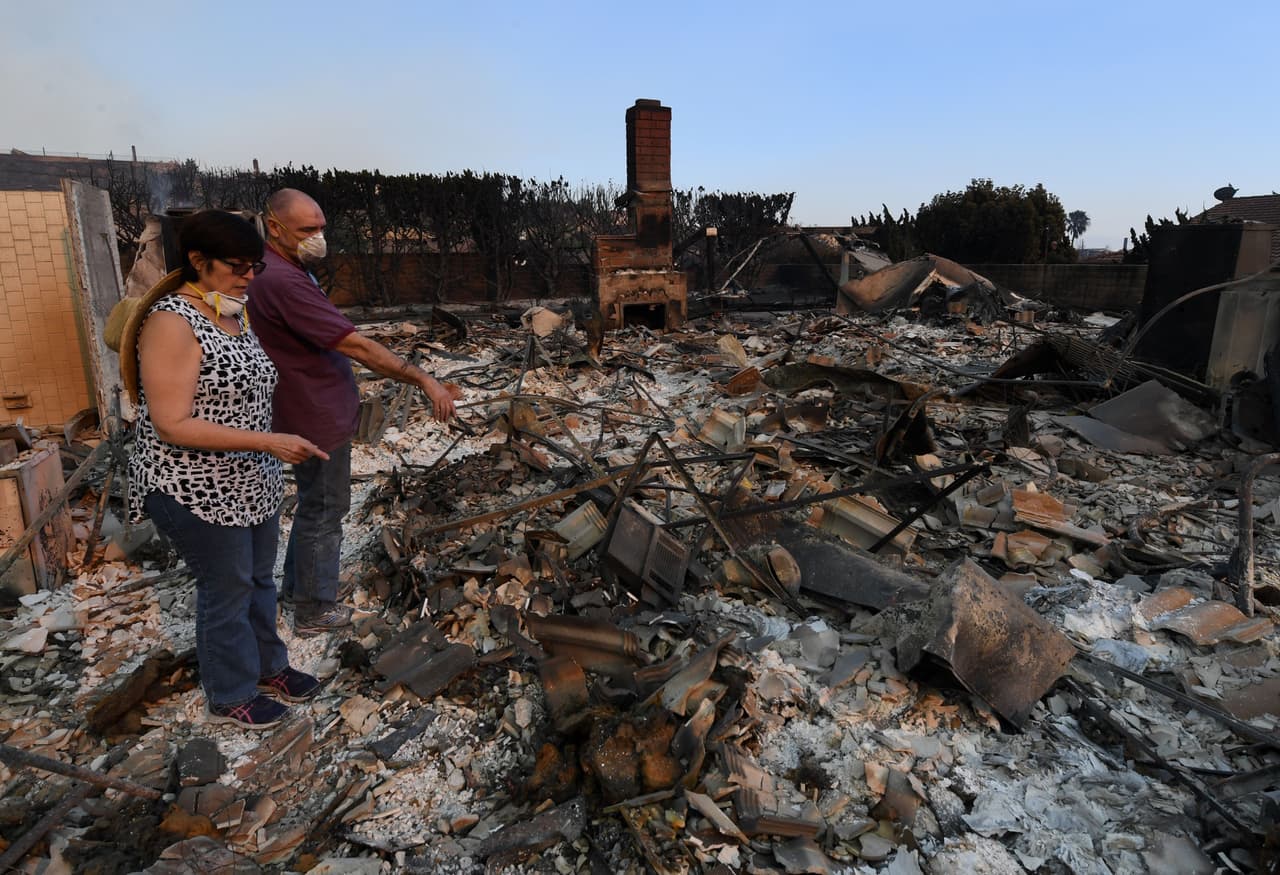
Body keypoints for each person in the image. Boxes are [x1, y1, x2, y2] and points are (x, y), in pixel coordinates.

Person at [119, 210, 329, 729]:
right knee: (227, 587)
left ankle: (270, 666)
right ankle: (231, 692)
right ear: (197, 260)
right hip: (192, 484)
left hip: (248, 478)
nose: (248, 277)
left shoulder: (235, 311)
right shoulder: (171, 322)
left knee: (259, 577)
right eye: (236, 266)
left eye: (254, 266)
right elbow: (171, 423)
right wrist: (270, 441)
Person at [247, 189, 456, 636]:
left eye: (321, 227)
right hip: (312, 414)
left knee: (314, 508)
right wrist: (424, 379)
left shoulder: (283, 269)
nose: (318, 237)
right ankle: (314, 609)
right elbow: (357, 345)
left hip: (308, 408)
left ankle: (298, 592)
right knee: (325, 509)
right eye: (307, 230)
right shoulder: (282, 281)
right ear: (274, 227)